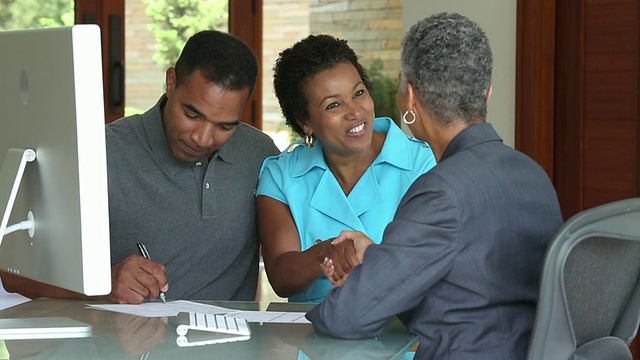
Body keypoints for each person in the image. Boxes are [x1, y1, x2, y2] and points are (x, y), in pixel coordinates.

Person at [307, 12, 564, 359]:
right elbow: (473, 294)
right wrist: (380, 262)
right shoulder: (533, 175)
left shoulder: (441, 190)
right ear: (487, 93)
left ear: (409, 97)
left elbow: (345, 318)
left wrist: (363, 285)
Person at [1, 30, 281, 304]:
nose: (203, 138)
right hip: (118, 348)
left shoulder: (260, 155)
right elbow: (13, 275)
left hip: (228, 348)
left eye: (225, 126)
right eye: (192, 114)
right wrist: (103, 284)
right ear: (171, 82)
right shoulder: (100, 154)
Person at [256, 34, 436, 303]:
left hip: (401, 333)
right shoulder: (280, 176)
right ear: (305, 121)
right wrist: (326, 253)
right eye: (334, 105)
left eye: (359, 93)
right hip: (308, 337)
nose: (355, 112)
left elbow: (432, 266)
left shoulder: (422, 164)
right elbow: (282, 277)